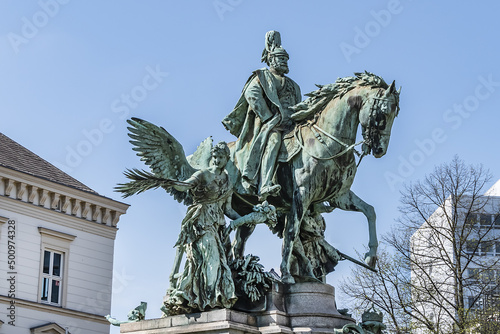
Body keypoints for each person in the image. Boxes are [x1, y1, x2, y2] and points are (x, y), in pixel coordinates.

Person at [163, 142, 241, 315]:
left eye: (220, 157)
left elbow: (227, 209)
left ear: (227, 159)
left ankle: (206, 299)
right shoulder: (203, 174)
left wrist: (244, 219)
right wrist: (171, 182)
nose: (216, 160)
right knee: (212, 260)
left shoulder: (228, 182)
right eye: (214, 156)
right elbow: (184, 185)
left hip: (217, 225)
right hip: (200, 221)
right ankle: (209, 301)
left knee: (218, 263)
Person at [222, 31, 301, 200]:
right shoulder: (262, 77)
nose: (285, 62)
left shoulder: (294, 85)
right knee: (273, 141)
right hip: (271, 124)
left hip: (292, 125)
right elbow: (252, 95)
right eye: (282, 59)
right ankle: (265, 184)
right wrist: (268, 117)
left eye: (286, 59)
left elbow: (298, 105)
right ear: (271, 59)